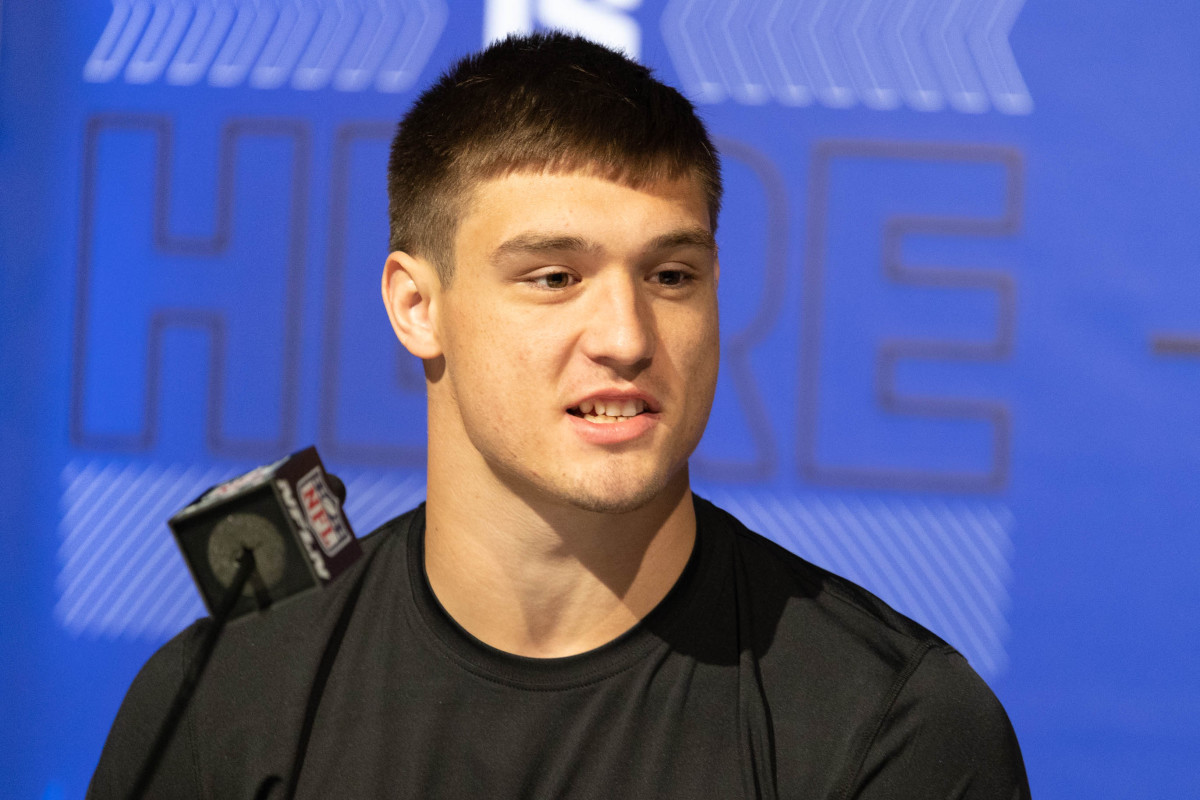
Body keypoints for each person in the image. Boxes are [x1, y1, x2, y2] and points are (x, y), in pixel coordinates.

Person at [90, 32, 1029, 799]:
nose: (626, 335)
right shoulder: (232, 695)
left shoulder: (891, 728)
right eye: (553, 277)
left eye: (672, 276)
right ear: (417, 306)